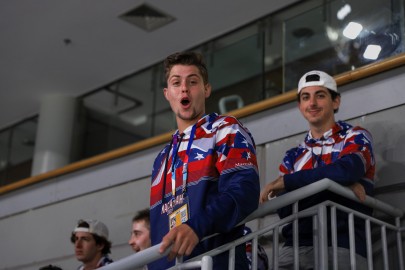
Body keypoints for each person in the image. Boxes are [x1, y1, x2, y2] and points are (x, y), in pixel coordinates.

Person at [149, 51, 260, 269]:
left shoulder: (226, 130)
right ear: (167, 93)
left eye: (192, 82)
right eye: (176, 82)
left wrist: (197, 227)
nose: (184, 88)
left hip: (215, 262)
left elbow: (244, 192)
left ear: (206, 89)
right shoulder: (161, 159)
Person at [259, 70, 375, 269]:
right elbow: (284, 208)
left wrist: (291, 182)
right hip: (294, 247)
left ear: (335, 101)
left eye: (320, 95)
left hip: (344, 245)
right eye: (306, 97)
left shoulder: (356, 136)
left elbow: (347, 171)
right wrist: (336, 185)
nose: (312, 103)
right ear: (300, 105)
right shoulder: (293, 155)